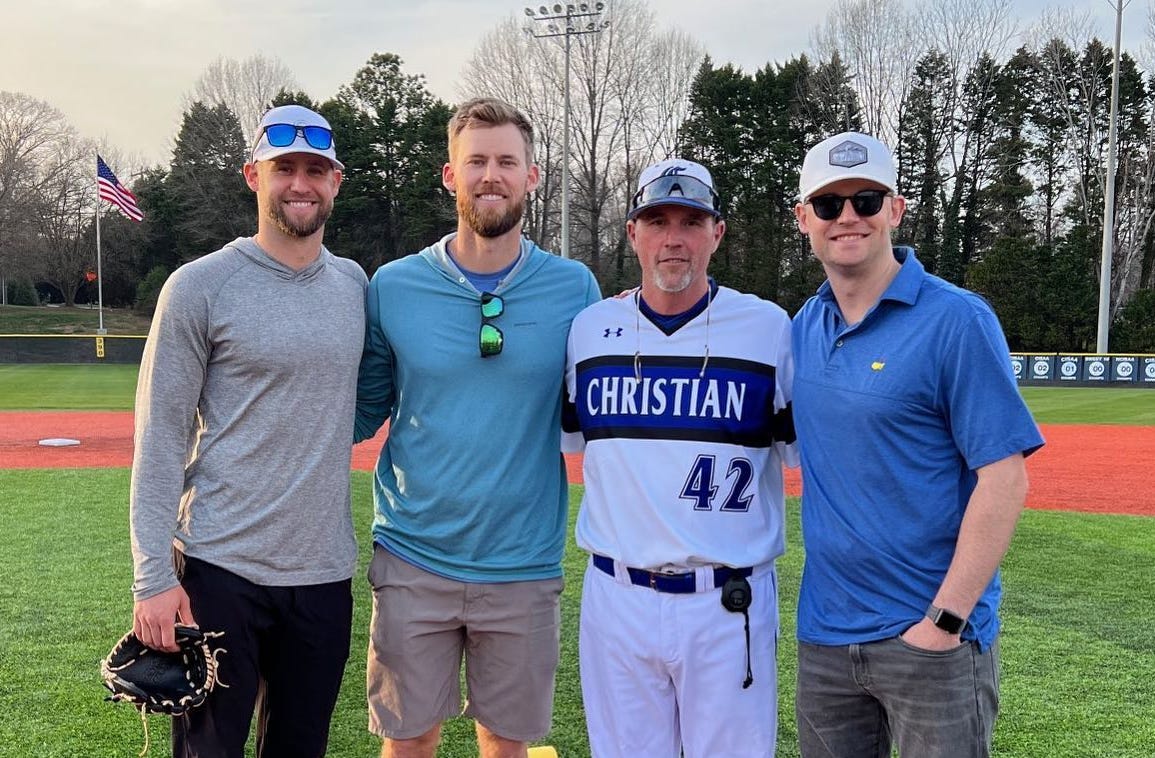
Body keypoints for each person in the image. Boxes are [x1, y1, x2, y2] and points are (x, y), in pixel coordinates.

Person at [354, 97, 601, 758]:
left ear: (532, 177)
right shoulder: (394, 286)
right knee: (407, 739)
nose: (490, 175)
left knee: (505, 742)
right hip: (412, 554)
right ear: (449, 175)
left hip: (521, 562)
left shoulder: (574, 288)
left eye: (505, 161)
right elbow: (355, 410)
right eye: (476, 162)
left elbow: (603, 413)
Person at [791, 131, 1046, 758]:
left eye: (866, 199)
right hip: (825, 638)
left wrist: (946, 622)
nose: (847, 216)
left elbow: (1004, 477)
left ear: (896, 210)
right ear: (804, 220)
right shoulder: (801, 327)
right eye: (828, 205)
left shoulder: (957, 319)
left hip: (932, 641)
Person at [129, 104, 365, 757]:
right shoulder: (199, 286)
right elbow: (159, 438)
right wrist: (152, 578)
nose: (300, 183)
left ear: (336, 181)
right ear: (252, 176)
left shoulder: (353, 285)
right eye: (283, 167)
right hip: (219, 570)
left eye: (315, 170)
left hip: (322, 576)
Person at [563, 158, 798, 758]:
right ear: (632, 232)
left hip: (728, 602)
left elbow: (803, 454)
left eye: (692, 220)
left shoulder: (769, 330)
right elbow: (574, 444)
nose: (674, 237)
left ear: (718, 232)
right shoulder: (589, 331)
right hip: (616, 597)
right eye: (657, 219)